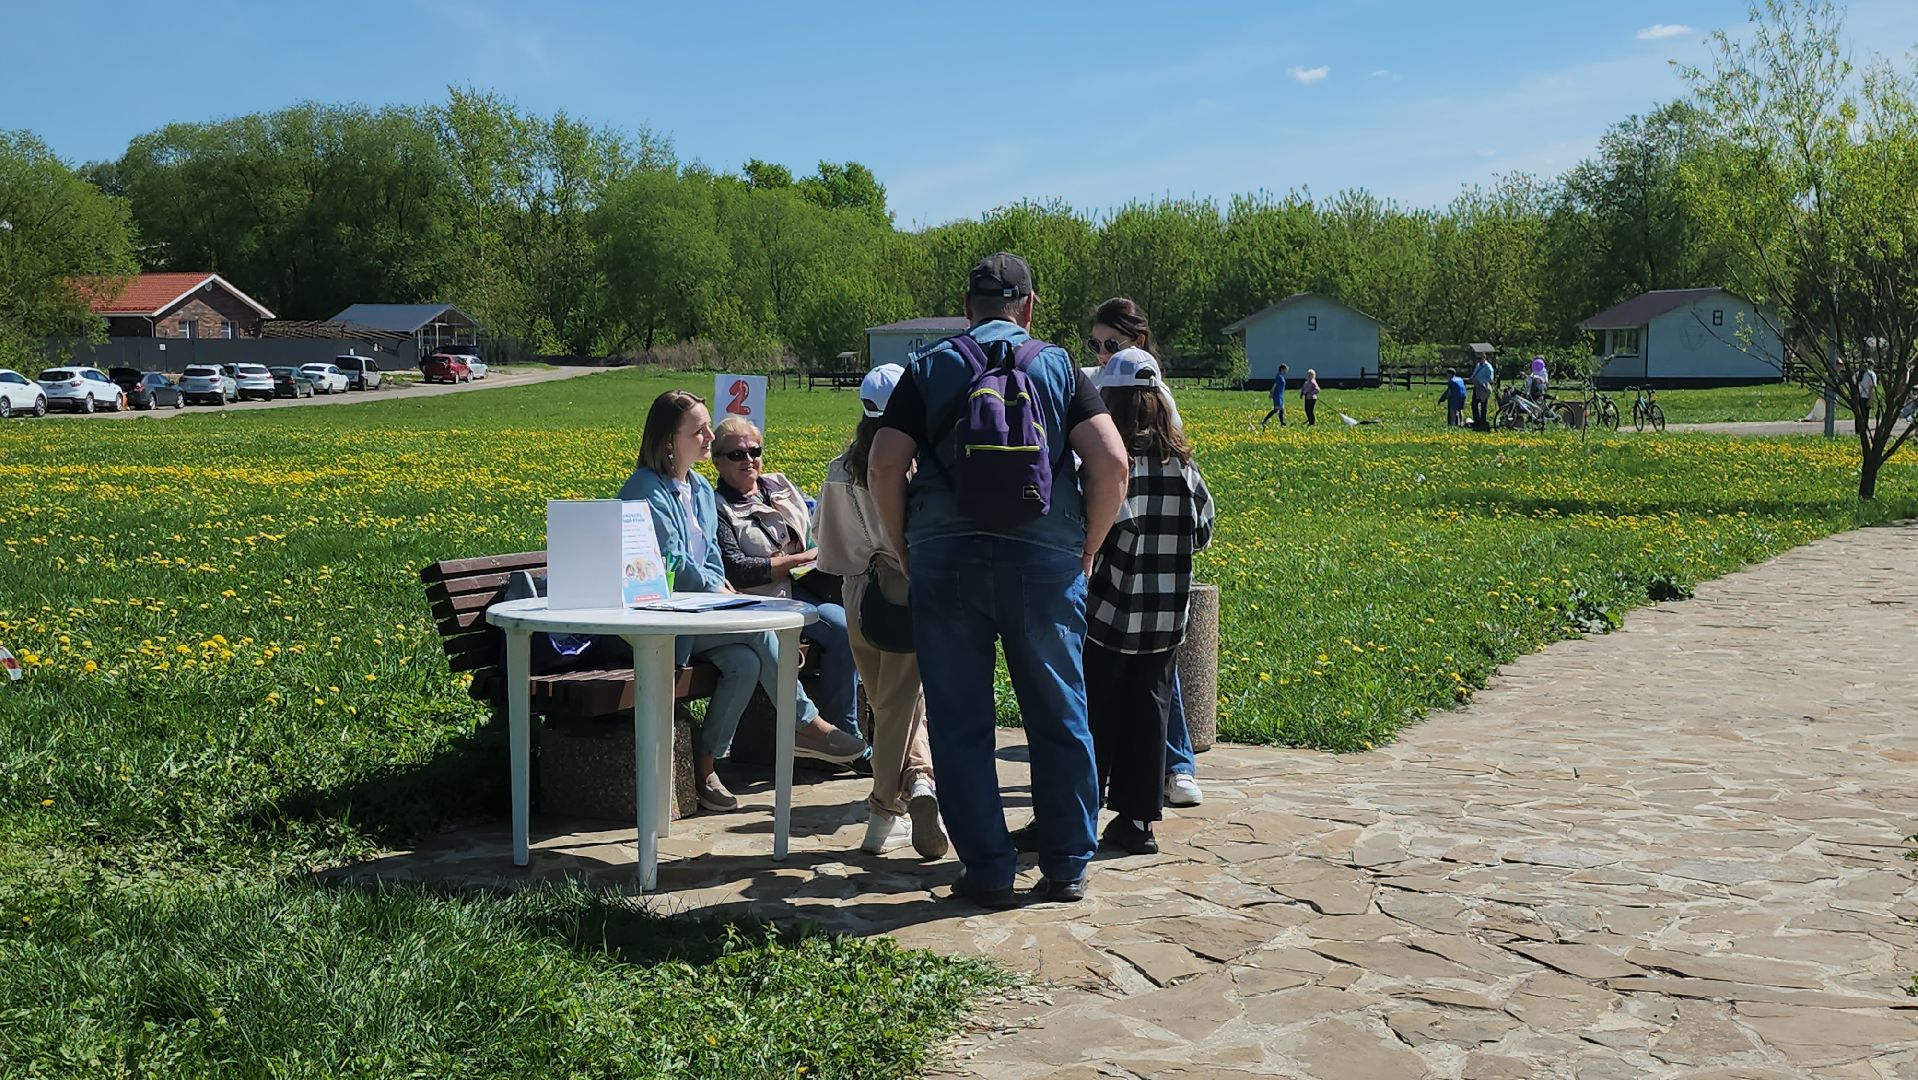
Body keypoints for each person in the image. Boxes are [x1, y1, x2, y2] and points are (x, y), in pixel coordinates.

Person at [870, 253, 1129, 909]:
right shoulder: (1059, 365)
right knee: (1060, 712)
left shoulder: (929, 366)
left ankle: (987, 869)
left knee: (959, 722)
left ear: (967, 308)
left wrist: (904, 546)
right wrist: (1087, 548)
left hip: (945, 558)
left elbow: (882, 464)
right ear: (1029, 306)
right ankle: (1067, 865)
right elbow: (1113, 463)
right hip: (1044, 562)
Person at [618, 391, 866, 812]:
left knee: (745, 663)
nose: (708, 436)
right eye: (698, 430)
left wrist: (717, 585)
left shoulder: (696, 488)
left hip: (700, 616)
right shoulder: (644, 489)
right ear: (667, 441)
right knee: (759, 631)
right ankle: (806, 725)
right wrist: (716, 589)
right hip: (659, 618)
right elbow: (670, 559)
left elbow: (711, 554)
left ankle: (706, 765)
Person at [1083, 349, 1215, 855]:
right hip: (1166, 619)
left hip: (1111, 616)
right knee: (1149, 716)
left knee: (1096, 718)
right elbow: (1202, 533)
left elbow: (1092, 532)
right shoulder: (1184, 468)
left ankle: (1080, 808)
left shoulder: (1113, 468)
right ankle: (1137, 823)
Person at [813, 364, 948, 858]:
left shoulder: (839, 467)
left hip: (855, 594)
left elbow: (826, 547)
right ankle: (883, 810)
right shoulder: (916, 467)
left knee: (889, 704)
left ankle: (920, 784)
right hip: (906, 587)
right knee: (899, 706)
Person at [710, 416, 859, 740]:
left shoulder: (779, 485)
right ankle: (839, 737)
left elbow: (813, 526)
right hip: (765, 601)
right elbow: (738, 569)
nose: (748, 460)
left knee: (854, 625)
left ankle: (848, 732)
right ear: (717, 461)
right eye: (736, 454)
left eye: (754, 451)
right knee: (843, 630)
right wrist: (797, 560)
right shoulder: (717, 506)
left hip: (810, 588)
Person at [1470, 352, 1495, 429]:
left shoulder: (1488, 367)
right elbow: (1474, 374)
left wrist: (1481, 380)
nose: (1478, 360)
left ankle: (1482, 421)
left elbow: (1490, 378)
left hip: (1483, 387)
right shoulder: (1478, 365)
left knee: (1483, 405)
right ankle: (1477, 420)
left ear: (1484, 358)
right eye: (1477, 358)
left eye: (1480, 358)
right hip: (1477, 387)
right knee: (1474, 404)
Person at [1261, 363, 1289, 428]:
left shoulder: (1281, 376)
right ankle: (1264, 421)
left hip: (1280, 395)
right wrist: (1271, 393)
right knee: (1277, 409)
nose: (1286, 371)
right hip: (1277, 395)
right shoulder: (1278, 377)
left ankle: (1282, 422)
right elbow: (1274, 385)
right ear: (1282, 369)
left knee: (1281, 409)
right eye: (1285, 370)